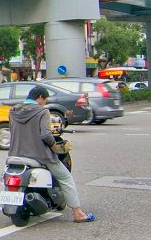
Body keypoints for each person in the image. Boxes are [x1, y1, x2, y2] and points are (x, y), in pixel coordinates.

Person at [7, 86, 95, 223]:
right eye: (45, 99)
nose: (45, 102)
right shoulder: (42, 111)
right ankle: (78, 213)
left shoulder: (13, 111)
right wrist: (54, 146)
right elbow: (46, 135)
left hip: (15, 154)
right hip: (39, 154)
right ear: (40, 97)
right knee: (65, 177)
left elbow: (12, 132)